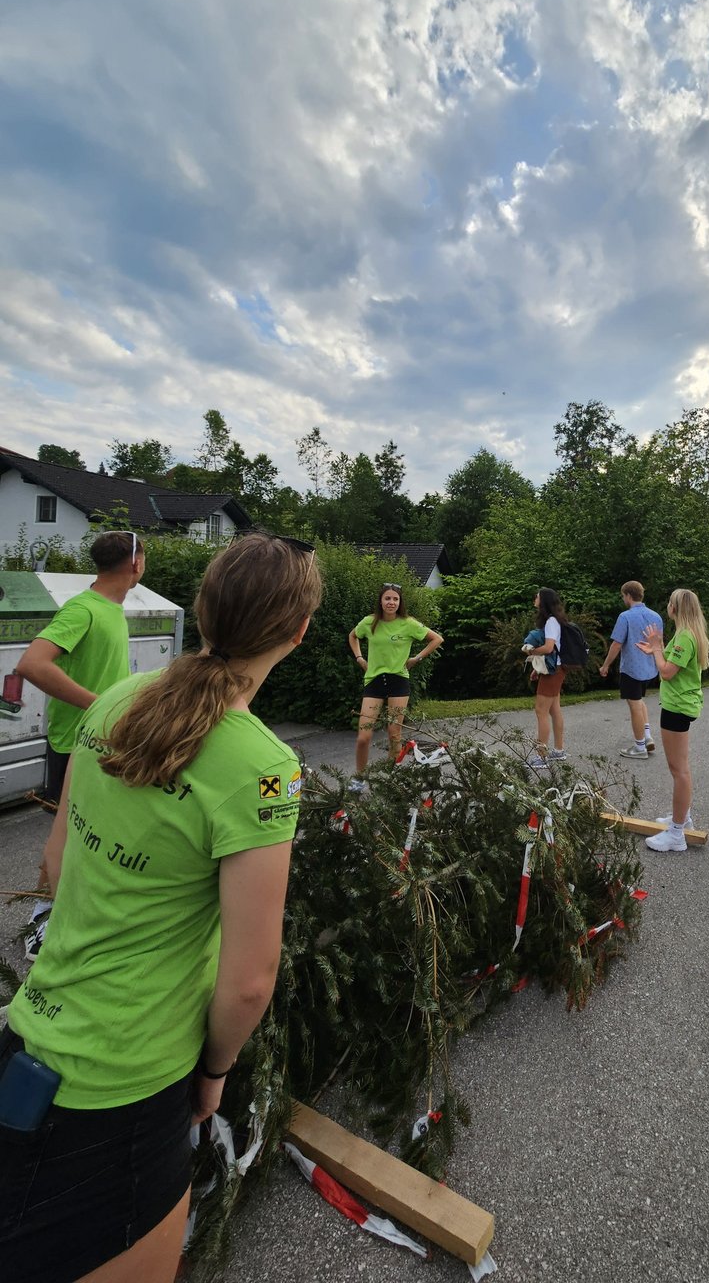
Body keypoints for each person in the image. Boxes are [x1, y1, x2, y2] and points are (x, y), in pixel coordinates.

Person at [0, 531, 323, 1283]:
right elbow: (250, 979)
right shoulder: (268, 769)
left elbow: (55, 866)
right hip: (130, 1082)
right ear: (299, 632)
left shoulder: (116, 699)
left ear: (203, 610)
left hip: (31, 1034)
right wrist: (214, 1071)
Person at [15, 529, 146, 958]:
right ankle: (41, 922)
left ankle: (77, 913)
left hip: (102, 740)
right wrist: (99, 705)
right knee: (66, 834)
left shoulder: (111, 608)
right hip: (74, 743)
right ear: (136, 564)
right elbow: (32, 664)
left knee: (91, 833)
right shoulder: (83, 608)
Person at [636, 589, 709, 852]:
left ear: (675, 608)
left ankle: (677, 834)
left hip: (677, 706)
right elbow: (670, 663)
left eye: (669, 602)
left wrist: (657, 648)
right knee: (679, 768)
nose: (667, 606)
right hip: (678, 704)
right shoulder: (685, 634)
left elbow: (667, 672)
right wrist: (654, 650)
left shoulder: (685, 637)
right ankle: (683, 818)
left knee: (679, 770)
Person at [349, 584, 443, 787]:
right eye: (387, 598)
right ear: (381, 601)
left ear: (400, 603)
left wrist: (416, 658)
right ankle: (359, 778)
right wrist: (359, 658)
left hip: (398, 681)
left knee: (394, 733)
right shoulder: (369, 622)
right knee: (363, 737)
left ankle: (392, 778)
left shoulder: (408, 623)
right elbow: (353, 636)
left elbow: (437, 639)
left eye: (395, 599)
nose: (391, 602)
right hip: (374, 682)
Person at [598, 581, 664, 758]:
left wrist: (605, 665)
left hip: (631, 669)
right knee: (639, 701)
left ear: (628, 595)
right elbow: (660, 643)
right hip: (650, 668)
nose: (623, 599)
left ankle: (639, 747)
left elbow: (616, 644)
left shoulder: (625, 616)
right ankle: (647, 736)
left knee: (634, 705)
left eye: (623, 596)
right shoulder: (656, 616)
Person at [524, 587, 568, 767]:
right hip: (555, 668)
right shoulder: (556, 620)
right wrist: (538, 668)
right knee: (554, 710)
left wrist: (531, 651)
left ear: (543, 601)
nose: (535, 599)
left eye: (537, 597)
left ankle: (541, 757)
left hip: (553, 671)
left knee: (541, 711)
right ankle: (559, 750)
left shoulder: (550, 621)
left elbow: (549, 648)